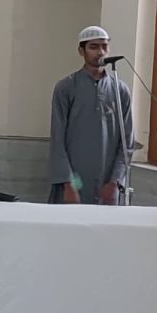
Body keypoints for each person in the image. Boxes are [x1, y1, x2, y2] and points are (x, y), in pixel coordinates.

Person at [49, 26, 134, 205]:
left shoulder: (120, 90)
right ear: (82, 51)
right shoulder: (66, 87)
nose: (100, 52)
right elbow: (58, 140)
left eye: (104, 46)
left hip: (108, 184)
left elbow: (127, 142)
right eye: (93, 47)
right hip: (74, 182)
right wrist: (69, 184)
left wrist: (115, 181)